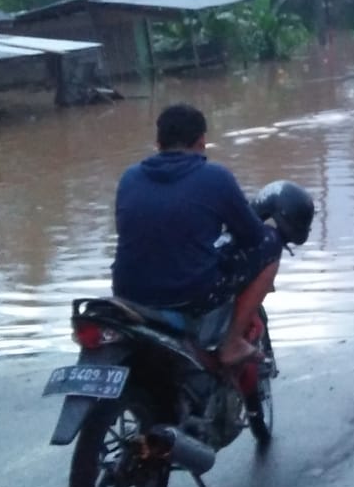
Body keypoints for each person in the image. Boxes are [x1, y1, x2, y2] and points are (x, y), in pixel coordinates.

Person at [112, 104, 282, 370]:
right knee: (271, 243)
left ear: (158, 143)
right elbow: (253, 237)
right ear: (202, 141)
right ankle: (233, 342)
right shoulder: (215, 177)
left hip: (127, 293)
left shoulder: (129, 177)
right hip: (189, 295)